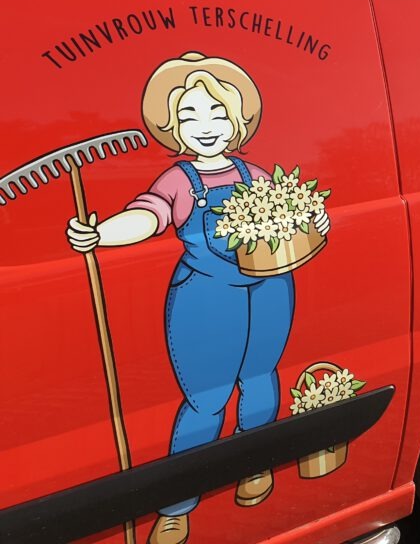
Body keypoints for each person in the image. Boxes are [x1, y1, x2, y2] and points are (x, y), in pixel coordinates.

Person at [67, 52, 330, 544]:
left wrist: (315, 222)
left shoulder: (255, 175)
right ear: (172, 127)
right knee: (205, 399)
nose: (204, 126)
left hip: (270, 288)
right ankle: (176, 505)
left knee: (259, 380)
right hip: (205, 297)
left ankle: (255, 463)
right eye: (189, 116)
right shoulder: (179, 181)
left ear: (236, 120)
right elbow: (149, 216)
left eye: (216, 114)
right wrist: (102, 233)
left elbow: (293, 217)